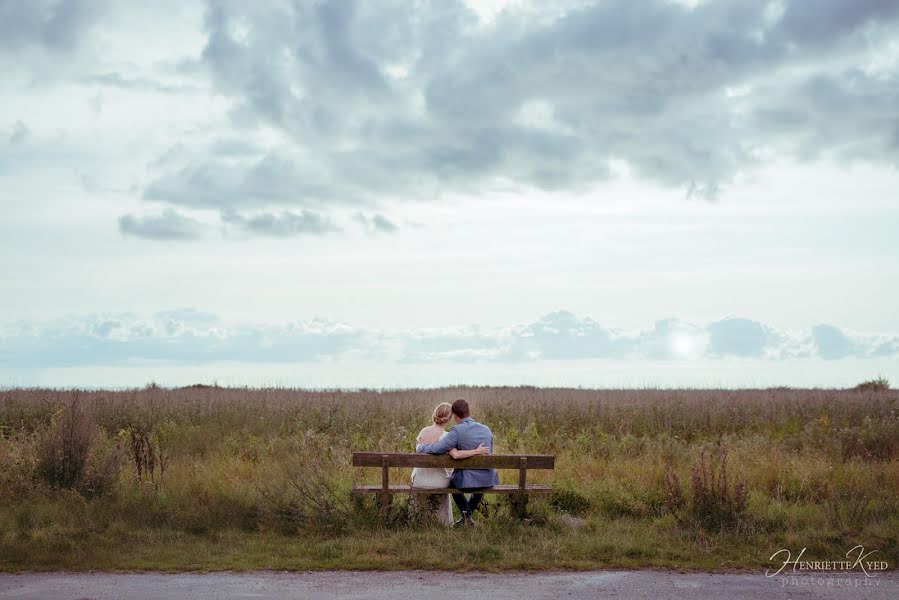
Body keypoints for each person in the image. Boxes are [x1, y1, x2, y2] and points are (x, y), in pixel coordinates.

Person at [416, 399, 499, 526]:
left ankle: (466, 516)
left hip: (466, 481)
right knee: (480, 482)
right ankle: (468, 518)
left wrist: (421, 448)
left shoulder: (457, 431)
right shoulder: (486, 429)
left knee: (452, 483)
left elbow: (438, 448)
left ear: (454, 416)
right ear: (469, 412)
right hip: (488, 478)